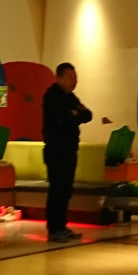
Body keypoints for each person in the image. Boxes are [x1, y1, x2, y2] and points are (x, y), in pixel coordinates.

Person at [42, 63, 92, 243]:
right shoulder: (51, 96)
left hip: (71, 149)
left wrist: (74, 114)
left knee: (66, 190)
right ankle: (54, 228)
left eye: (75, 77)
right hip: (56, 150)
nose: (74, 81)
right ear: (59, 78)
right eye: (70, 77)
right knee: (57, 189)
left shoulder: (71, 98)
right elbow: (62, 118)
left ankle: (62, 226)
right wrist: (74, 114)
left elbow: (88, 115)